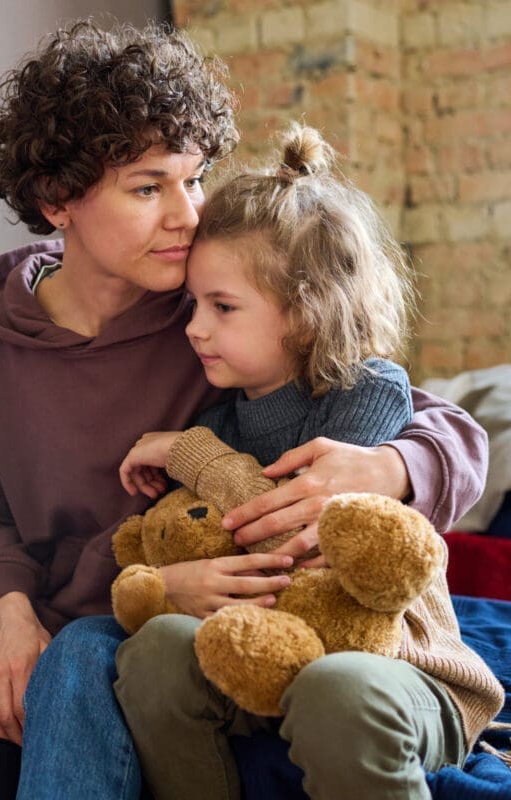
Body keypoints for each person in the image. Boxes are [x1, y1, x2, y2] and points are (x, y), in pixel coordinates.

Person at [0, 18, 492, 800]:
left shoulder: (212, 317)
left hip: (135, 611)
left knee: (80, 658)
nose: (188, 214)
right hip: (43, 602)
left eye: (194, 179)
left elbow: (420, 414)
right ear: (59, 202)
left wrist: (391, 465)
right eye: (149, 188)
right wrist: (12, 616)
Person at [112, 124, 504, 800]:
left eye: (223, 307)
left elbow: (297, 540)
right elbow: (205, 541)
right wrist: (169, 583)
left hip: (395, 667)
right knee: (154, 650)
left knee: (336, 686)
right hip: (264, 656)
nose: (195, 327)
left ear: (305, 313)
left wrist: (190, 455)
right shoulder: (219, 420)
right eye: (194, 304)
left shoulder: (366, 391)